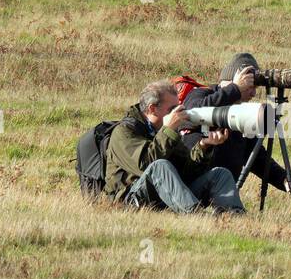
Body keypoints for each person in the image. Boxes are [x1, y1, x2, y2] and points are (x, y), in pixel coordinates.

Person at [104, 81, 245, 214]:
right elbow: (146, 165)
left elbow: (186, 172)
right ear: (152, 109)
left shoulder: (165, 131)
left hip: (166, 194)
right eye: (172, 109)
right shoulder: (124, 132)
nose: (178, 113)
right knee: (160, 166)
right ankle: (195, 216)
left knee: (220, 174)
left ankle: (235, 218)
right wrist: (168, 129)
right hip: (132, 200)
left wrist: (204, 146)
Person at [181, 52, 291, 199]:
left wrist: (284, 179)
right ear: (234, 80)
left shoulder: (242, 113)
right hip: (188, 188)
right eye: (249, 86)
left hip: (219, 194)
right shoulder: (200, 94)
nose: (253, 93)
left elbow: (257, 157)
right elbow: (192, 115)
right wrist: (235, 89)